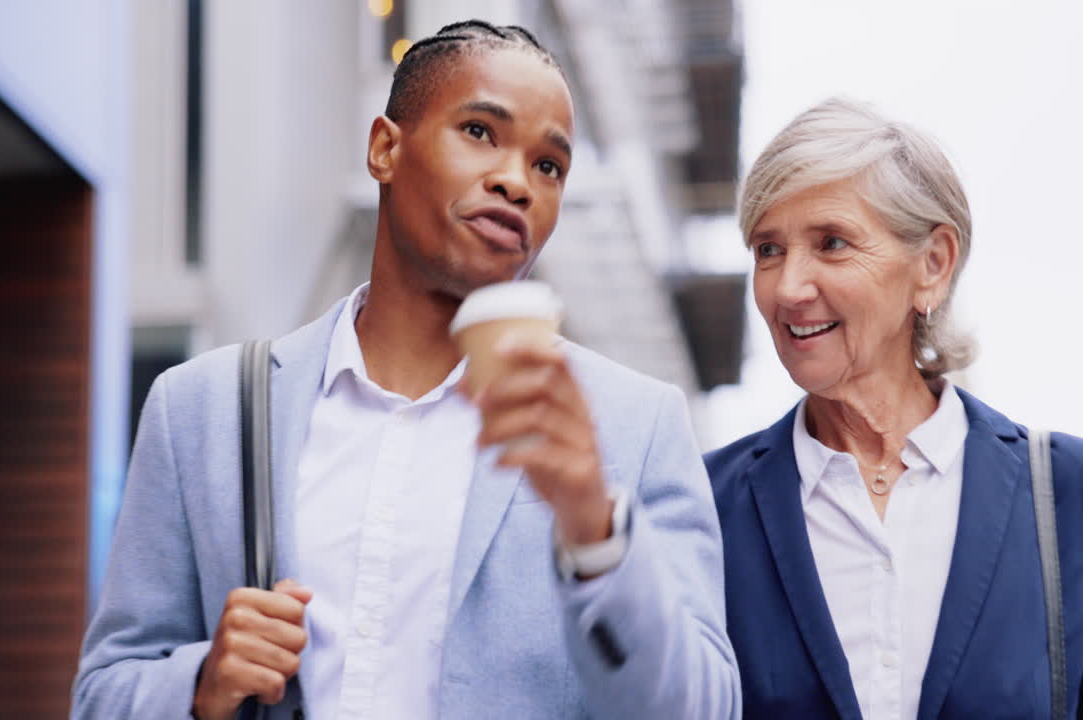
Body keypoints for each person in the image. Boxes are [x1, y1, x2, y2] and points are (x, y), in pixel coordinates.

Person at [73, 20, 738, 720]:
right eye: (481, 131)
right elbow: (103, 694)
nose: (516, 182)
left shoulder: (632, 425)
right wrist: (201, 682)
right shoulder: (199, 409)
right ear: (385, 148)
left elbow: (703, 708)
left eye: (549, 166)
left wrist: (596, 532)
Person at [705, 97, 1083, 719]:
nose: (787, 288)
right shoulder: (703, 501)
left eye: (832, 243)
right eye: (767, 250)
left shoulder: (1071, 492)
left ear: (933, 265)